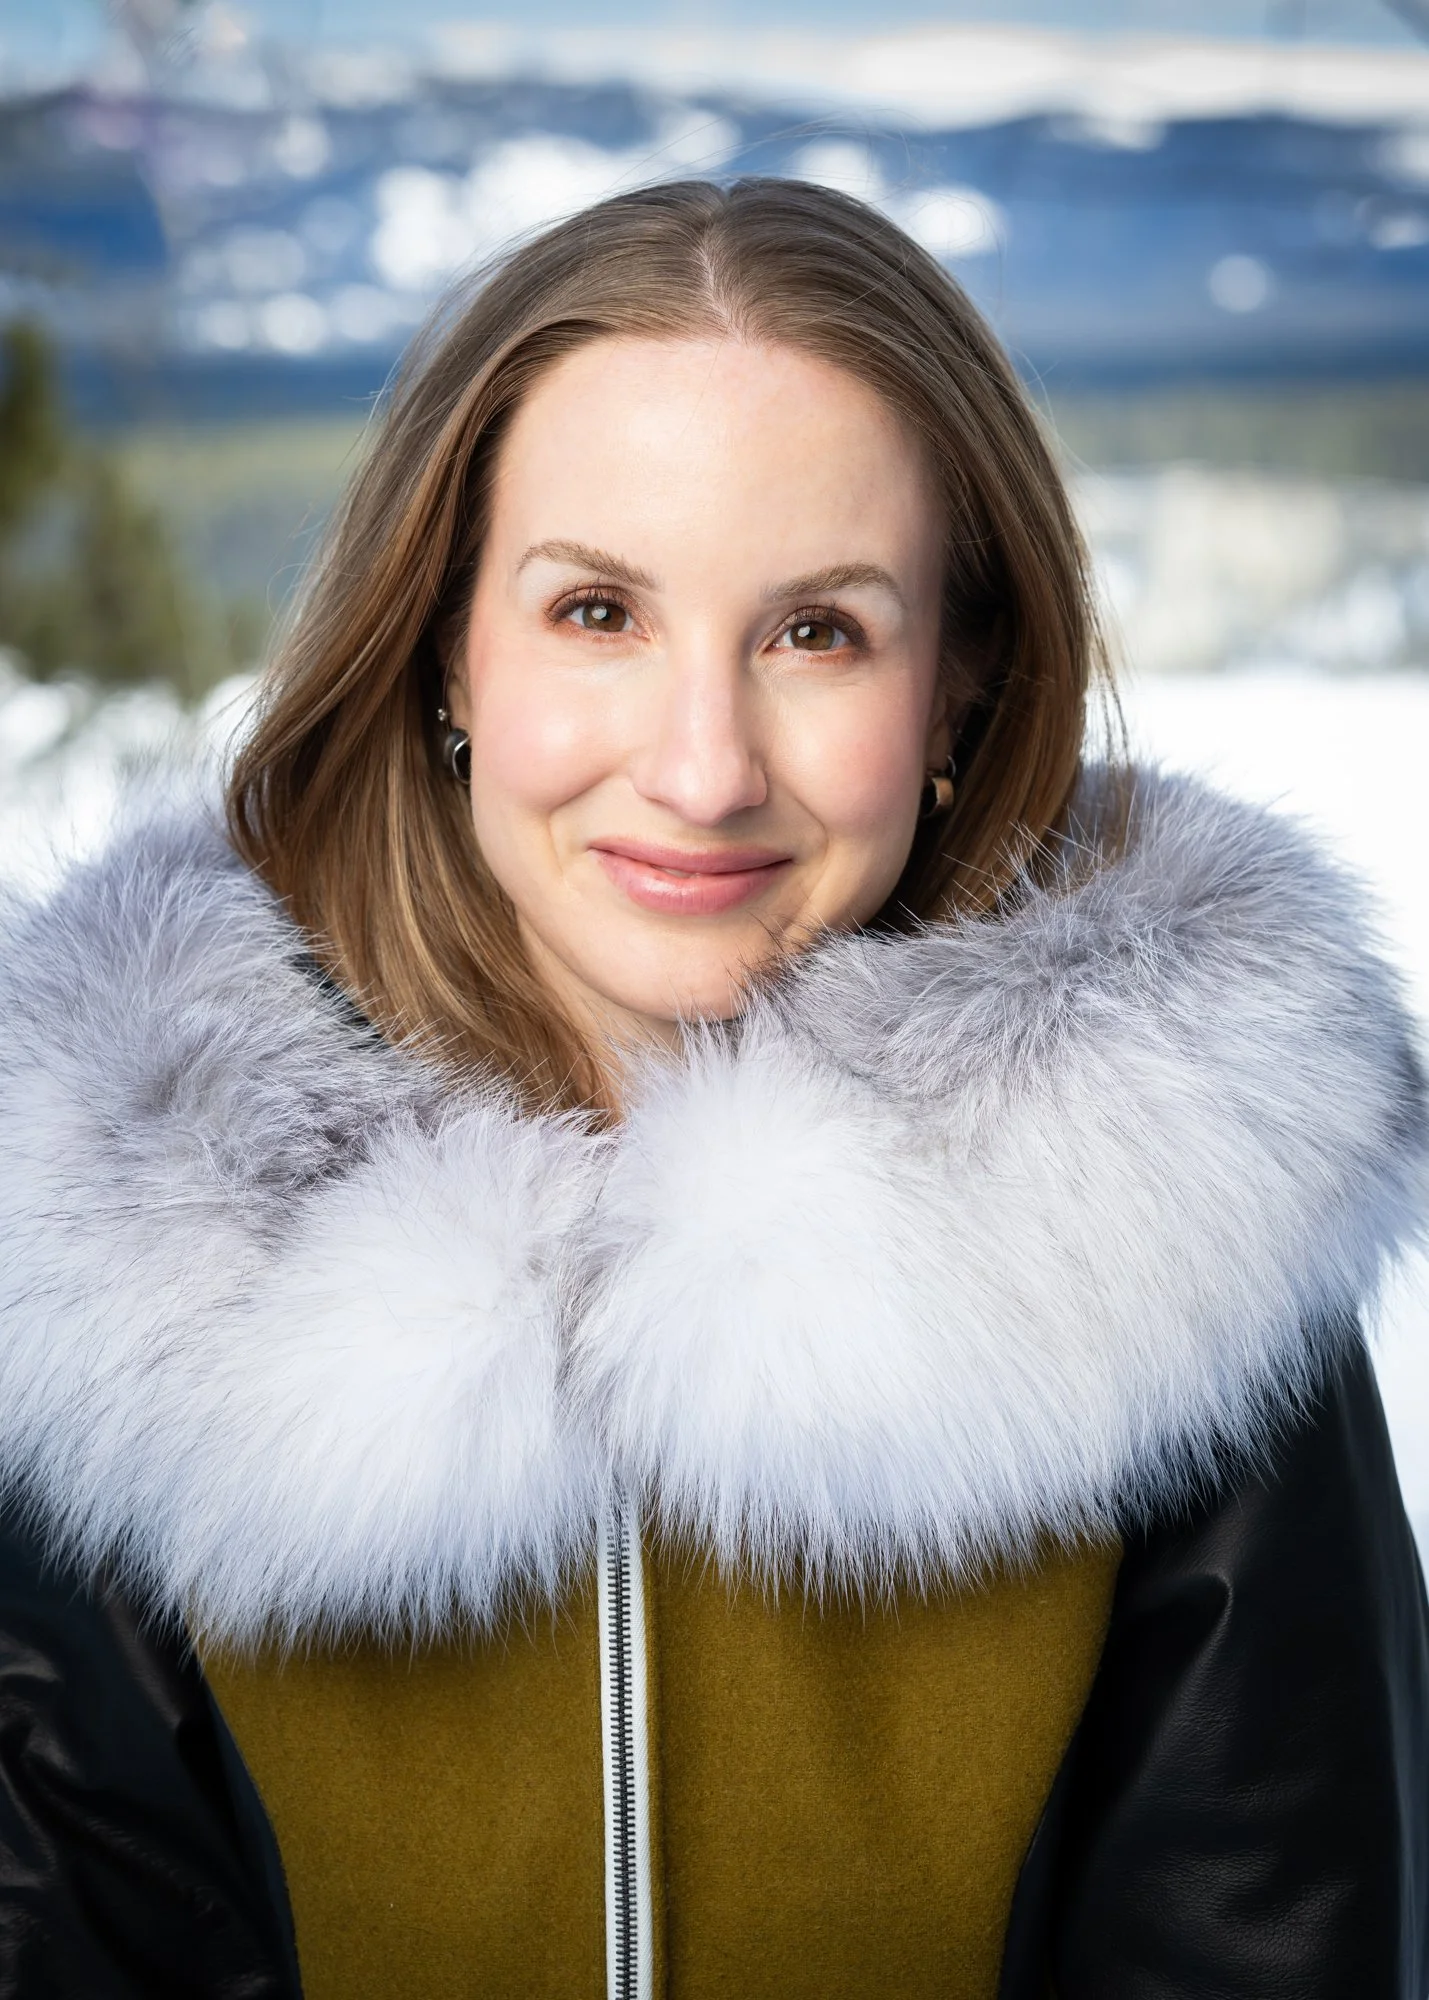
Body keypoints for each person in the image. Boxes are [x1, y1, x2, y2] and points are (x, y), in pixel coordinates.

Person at [0, 177, 1425, 2000]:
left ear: (961, 685)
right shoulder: (123, 1251)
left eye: (817, 630)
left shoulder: (1178, 1246)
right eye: (597, 610)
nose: (701, 767)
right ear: (449, 645)